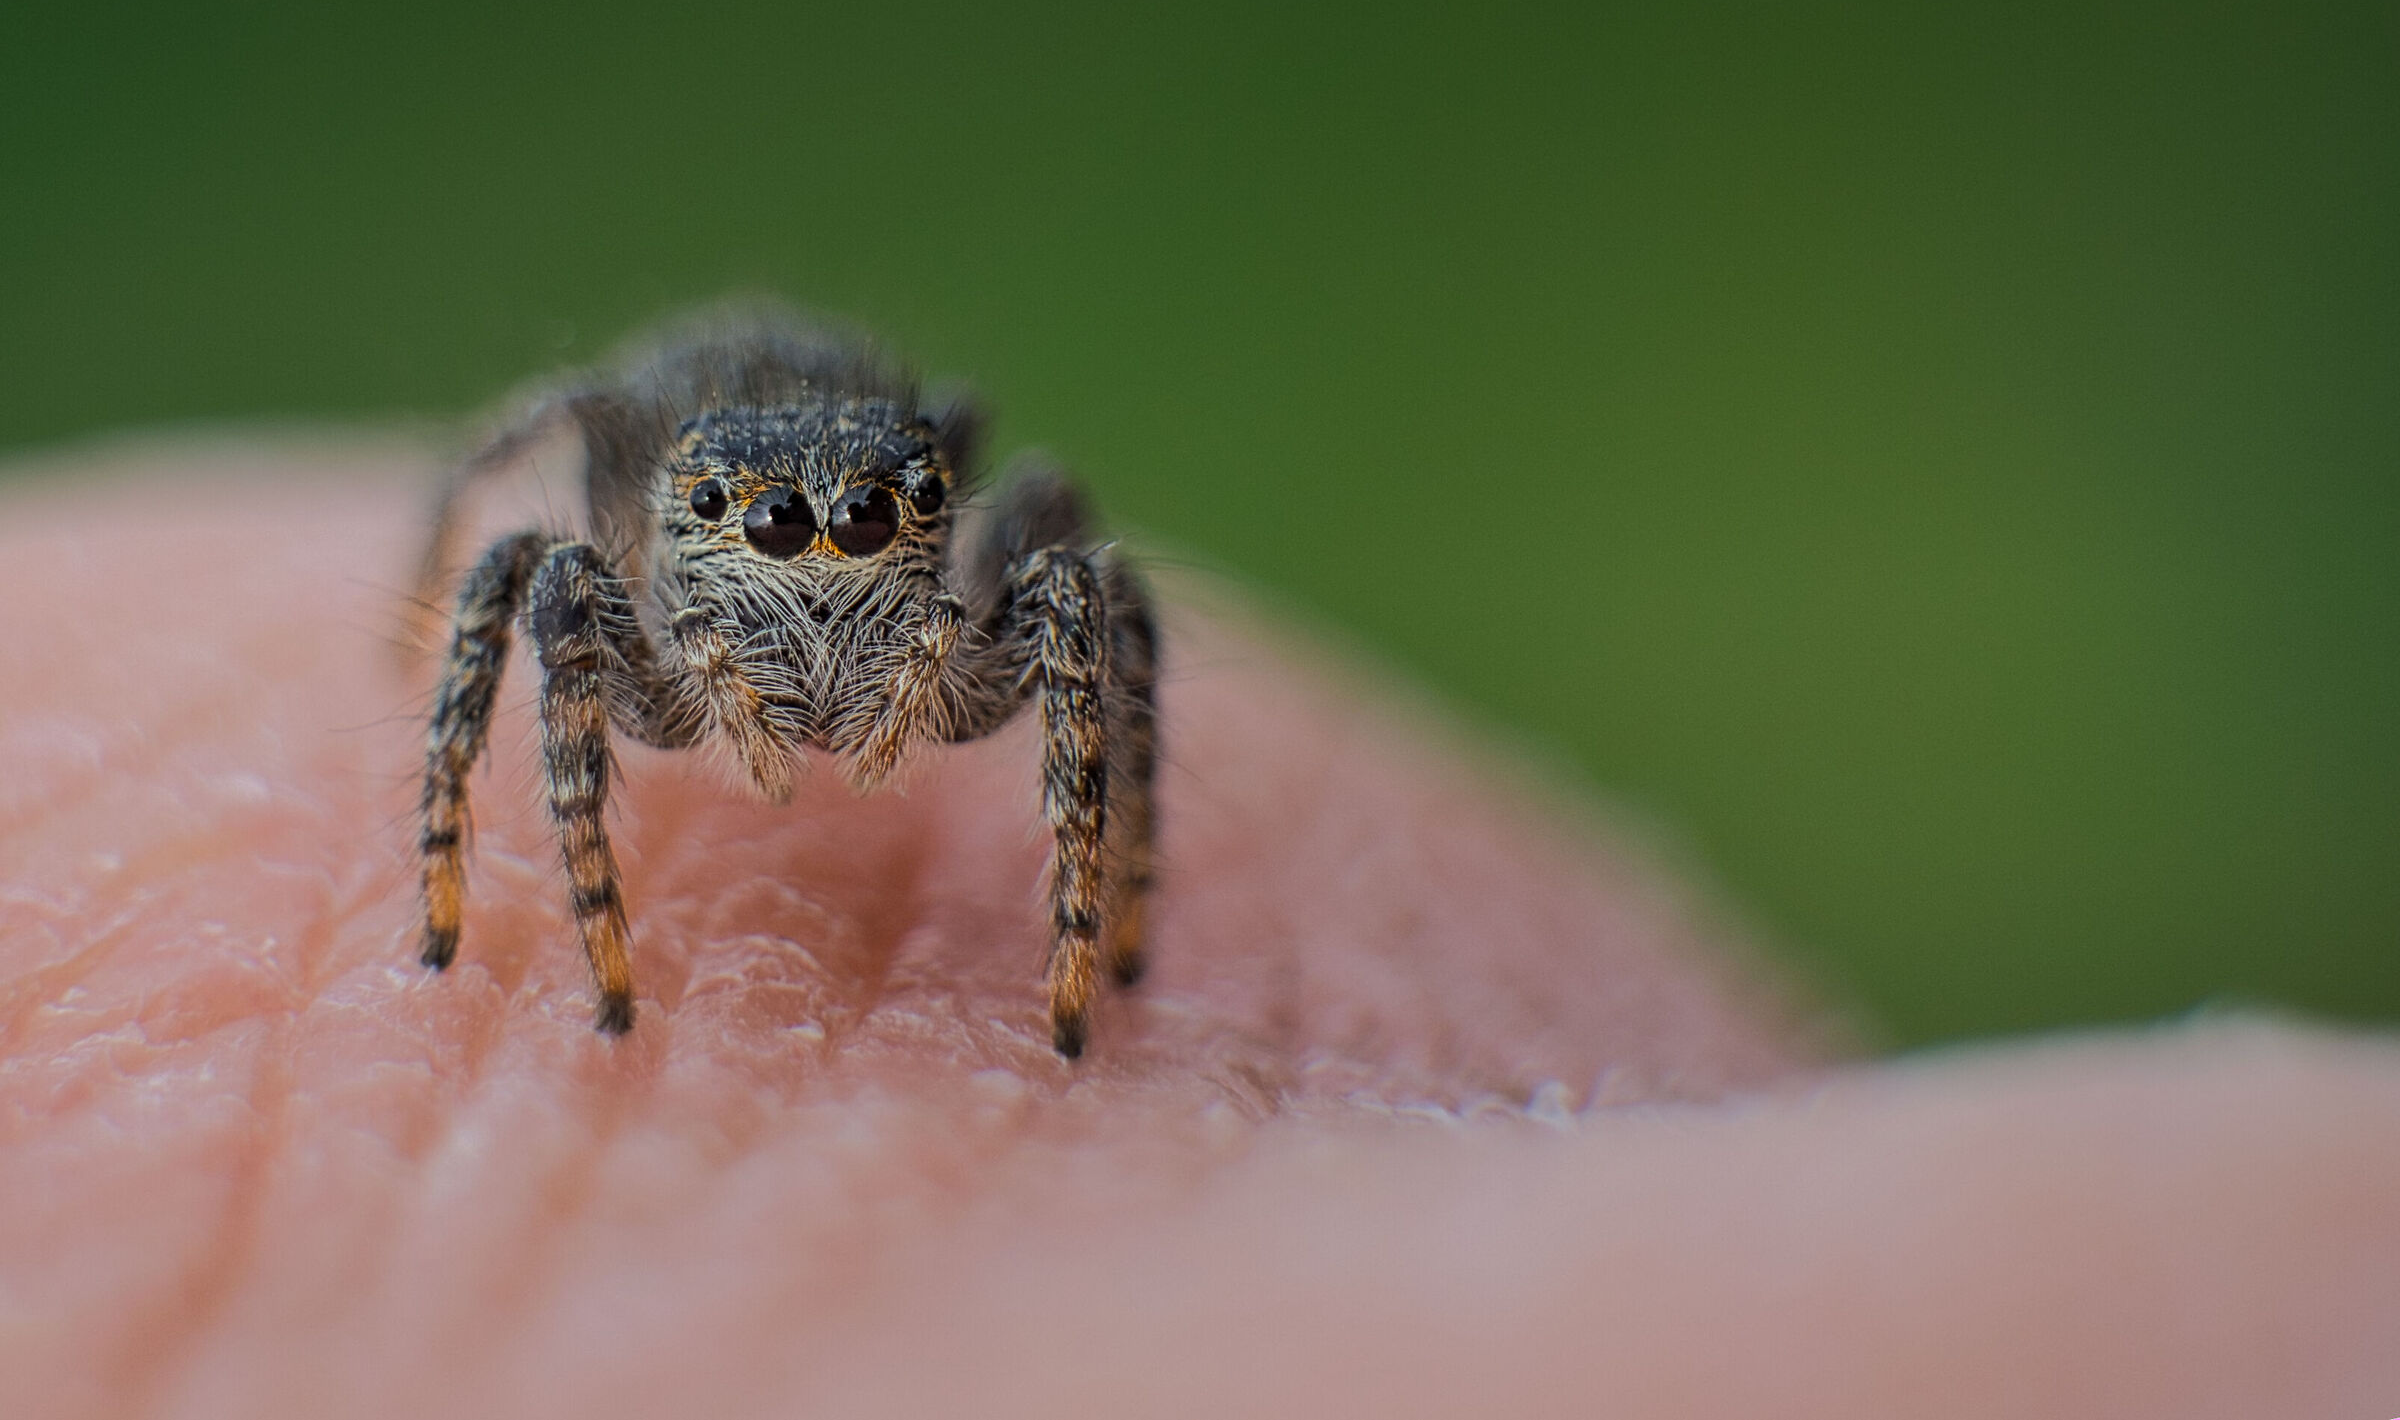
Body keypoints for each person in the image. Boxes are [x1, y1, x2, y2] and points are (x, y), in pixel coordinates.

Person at [4, 444, 2395, 1418]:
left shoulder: (984, 590)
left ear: (924, 525)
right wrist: (492, 892)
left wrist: (1095, 918)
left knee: (1099, 592)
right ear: (691, 534)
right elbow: (519, 569)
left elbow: (1075, 605)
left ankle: (1084, 917)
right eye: (766, 542)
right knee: (524, 594)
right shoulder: (616, 570)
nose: (823, 583)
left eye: (877, 538)